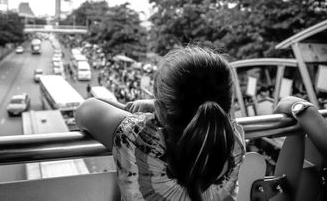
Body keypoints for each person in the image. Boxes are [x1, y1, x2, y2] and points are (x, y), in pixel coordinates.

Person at [75, 46, 245, 201]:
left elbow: (87, 109)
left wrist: (151, 109)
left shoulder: (140, 139)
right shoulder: (235, 143)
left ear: (161, 112)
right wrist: (161, 107)